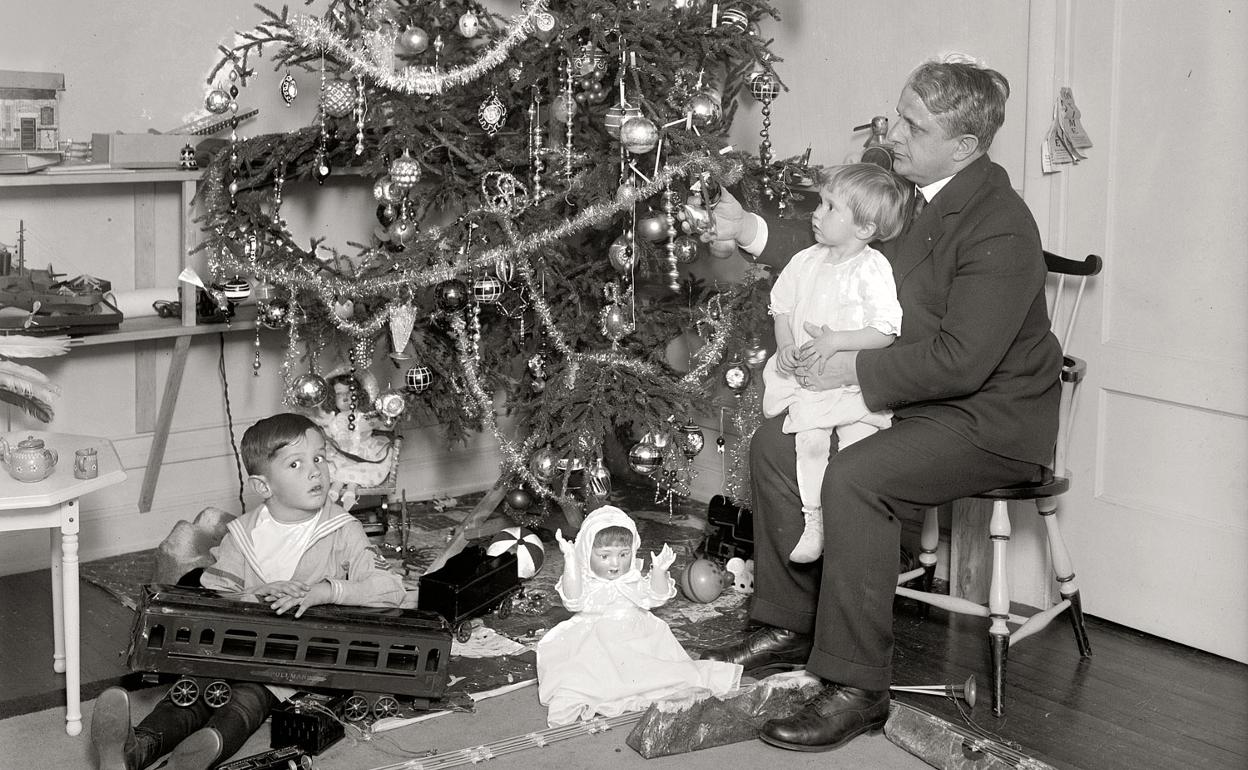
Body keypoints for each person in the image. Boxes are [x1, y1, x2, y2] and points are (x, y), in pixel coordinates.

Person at [697, 55, 1063, 753]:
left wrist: (851, 363)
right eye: (900, 113)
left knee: (858, 477)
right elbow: (840, 244)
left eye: (912, 125)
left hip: (987, 417)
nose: (893, 132)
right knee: (776, 443)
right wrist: (751, 231)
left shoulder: (1000, 226)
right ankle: (789, 620)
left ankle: (858, 688)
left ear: (964, 145)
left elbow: (964, 361)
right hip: (919, 396)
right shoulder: (916, 192)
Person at [90, 412, 409, 770]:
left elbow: (390, 589)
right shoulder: (241, 535)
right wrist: (257, 596)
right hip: (234, 650)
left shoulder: (341, 530)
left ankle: (187, 761)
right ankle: (135, 750)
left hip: (294, 661)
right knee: (192, 693)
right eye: (296, 463)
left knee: (246, 702)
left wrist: (325, 590)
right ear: (263, 486)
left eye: (319, 457)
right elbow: (213, 598)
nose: (315, 470)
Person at [762, 163, 908, 563]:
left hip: (851, 383)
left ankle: (850, 526)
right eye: (821, 203)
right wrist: (787, 345)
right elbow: (782, 309)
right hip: (810, 381)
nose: (817, 213)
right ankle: (815, 519)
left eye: (830, 208)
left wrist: (836, 342)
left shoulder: (872, 268)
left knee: (855, 451)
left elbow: (885, 331)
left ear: (863, 229)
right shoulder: (806, 261)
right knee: (809, 444)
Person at [535, 505, 742, 727]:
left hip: (638, 636)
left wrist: (659, 572)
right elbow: (572, 598)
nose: (615, 563)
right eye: (604, 556)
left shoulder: (631, 580)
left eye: (623, 554)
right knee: (583, 676)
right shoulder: (589, 584)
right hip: (596, 638)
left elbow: (656, 596)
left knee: (658, 672)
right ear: (586, 553)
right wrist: (571, 561)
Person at [312, 371, 397, 489]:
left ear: (359, 394)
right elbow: (327, 433)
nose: (346, 398)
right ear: (332, 398)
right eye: (339, 394)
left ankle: (350, 490)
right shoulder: (333, 419)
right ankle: (336, 488)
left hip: (363, 454)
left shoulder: (363, 417)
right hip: (340, 454)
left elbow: (383, 425)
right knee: (331, 466)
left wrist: (390, 415)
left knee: (367, 467)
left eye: (350, 392)